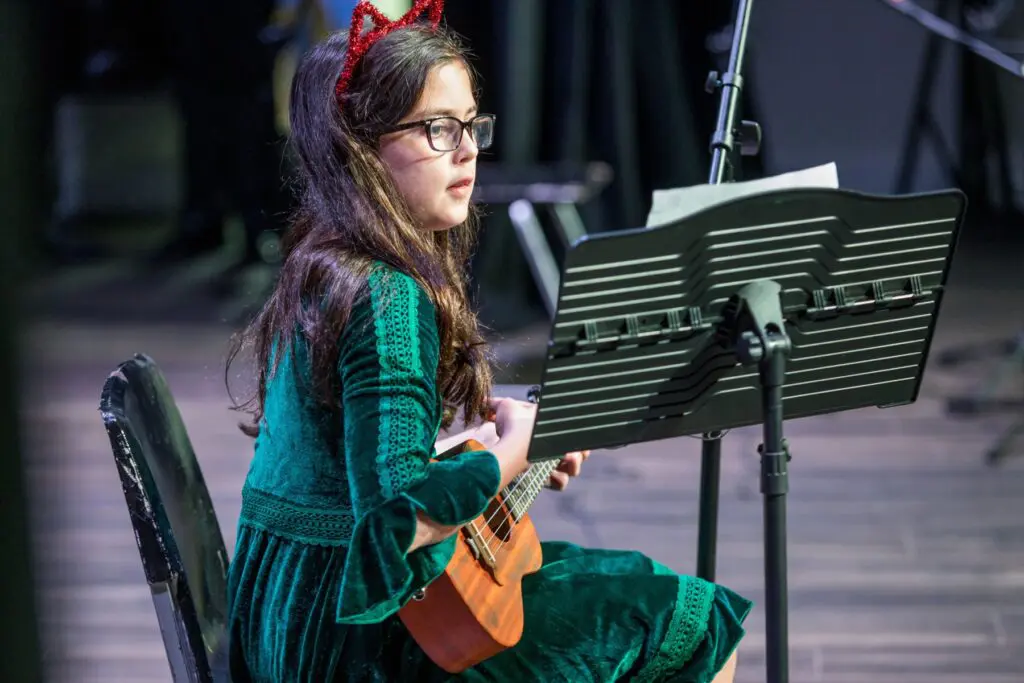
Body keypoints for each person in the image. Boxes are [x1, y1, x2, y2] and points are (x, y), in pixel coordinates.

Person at [224, 1, 752, 681]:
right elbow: (394, 516)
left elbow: (361, 453)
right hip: (353, 642)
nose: (468, 149)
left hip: (286, 612)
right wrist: (516, 450)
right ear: (361, 143)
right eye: (439, 129)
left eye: (472, 126)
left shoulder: (326, 259)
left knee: (608, 578)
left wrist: (488, 432)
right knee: (695, 617)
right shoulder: (387, 297)